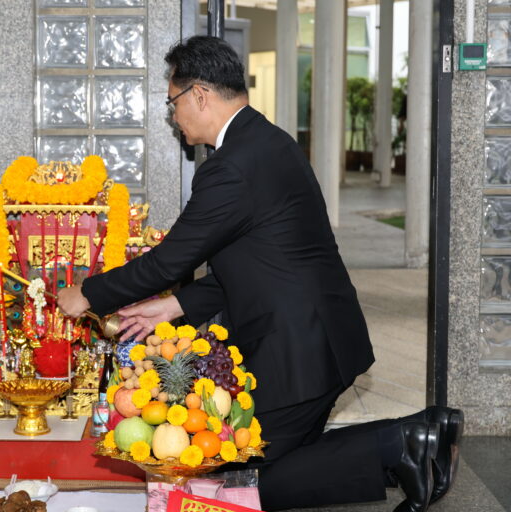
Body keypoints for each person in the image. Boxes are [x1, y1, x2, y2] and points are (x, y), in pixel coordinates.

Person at [57, 36, 463, 512]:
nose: (173, 116)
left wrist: (87, 293)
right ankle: (418, 438)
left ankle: (403, 442)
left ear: (199, 95)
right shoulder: (265, 141)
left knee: (240, 478)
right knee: (273, 460)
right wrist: (175, 304)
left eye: (173, 102)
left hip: (297, 348)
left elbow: (170, 261)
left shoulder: (233, 165)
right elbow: (257, 259)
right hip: (314, 336)